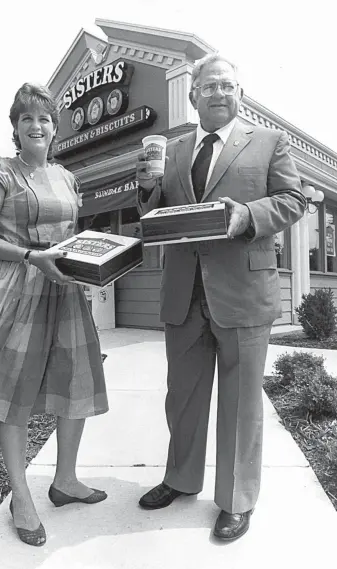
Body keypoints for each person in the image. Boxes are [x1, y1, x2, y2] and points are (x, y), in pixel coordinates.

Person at [136, 53, 305, 540]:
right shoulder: (172, 148)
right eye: (208, 86)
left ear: (240, 94)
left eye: (226, 85)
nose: (218, 92)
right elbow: (156, 210)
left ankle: (236, 500)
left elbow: (292, 200)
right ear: (193, 96)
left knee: (240, 404)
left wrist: (247, 215)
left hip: (244, 291)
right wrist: (146, 187)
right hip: (183, 293)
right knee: (182, 398)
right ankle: (180, 478)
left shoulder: (270, 143)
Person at [0, 83, 109, 547]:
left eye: (46, 119)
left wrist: (95, 263)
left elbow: (72, 235)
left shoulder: (65, 176)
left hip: (66, 290)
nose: (37, 126)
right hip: (19, 290)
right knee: (14, 390)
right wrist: (31, 257)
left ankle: (66, 481)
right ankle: (21, 497)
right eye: (28, 119)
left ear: (56, 128)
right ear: (15, 127)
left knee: (75, 382)